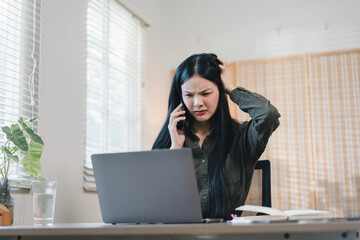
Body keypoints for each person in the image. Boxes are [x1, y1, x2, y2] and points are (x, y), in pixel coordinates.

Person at [152, 53, 280, 219]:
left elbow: (268, 114)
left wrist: (231, 89)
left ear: (220, 92)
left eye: (205, 93)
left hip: (226, 234)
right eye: (189, 95)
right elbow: (155, 201)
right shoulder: (170, 139)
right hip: (178, 233)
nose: (197, 102)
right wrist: (174, 150)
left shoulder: (240, 137)